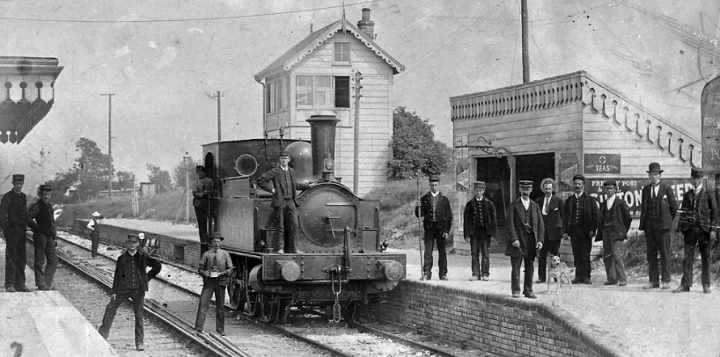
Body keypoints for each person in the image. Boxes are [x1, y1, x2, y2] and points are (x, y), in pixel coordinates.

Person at [98, 235, 162, 351]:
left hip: (138, 291)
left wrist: (146, 278)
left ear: (138, 244)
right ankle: (102, 335)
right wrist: (114, 291)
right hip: (123, 289)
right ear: (126, 243)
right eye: (130, 242)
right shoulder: (122, 258)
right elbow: (117, 276)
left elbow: (157, 266)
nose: (132, 244)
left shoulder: (143, 257)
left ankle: (139, 342)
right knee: (110, 307)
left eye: (134, 242)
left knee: (139, 316)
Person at [256, 150, 311, 254]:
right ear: (279, 160)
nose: (284, 160)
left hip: (291, 201)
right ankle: (280, 248)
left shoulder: (292, 172)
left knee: (295, 225)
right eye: (282, 158)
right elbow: (261, 180)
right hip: (280, 202)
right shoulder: (274, 171)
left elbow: (296, 185)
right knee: (281, 226)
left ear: (289, 160)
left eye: (286, 158)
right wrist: (271, 190)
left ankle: (294, 248)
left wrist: (308, 185)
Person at [674, 167, 717, 293]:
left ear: (702, 179)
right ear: (691, 179)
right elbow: (683, 213)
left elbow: (715, 214)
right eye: (694, 178)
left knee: (705, 258)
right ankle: (685, 284)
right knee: (687, 257)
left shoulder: (708, 194)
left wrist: (713, 230)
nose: (696, 181)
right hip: (690, 230)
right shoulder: (687, 195)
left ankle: (706, 284)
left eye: (698, 178)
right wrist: (681, 229)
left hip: (704, 230)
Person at [639, 162, 678, 290]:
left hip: (663, 227)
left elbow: (674, 208)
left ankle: (666, 280)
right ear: (649, 176)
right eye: (651, 174)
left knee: (665, 253)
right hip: (650, 227)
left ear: (660, 176)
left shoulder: (666, 188)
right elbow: (644, 208)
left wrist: (667, 221)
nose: (654, 177)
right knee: (651, 254)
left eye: (656, 174)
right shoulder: (645, 190)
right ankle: (653, 281)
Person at [505, 180, 544, 298]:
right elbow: (509, 224)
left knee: (530, 266)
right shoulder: (513, 205)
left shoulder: (535, 206)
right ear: (520, 190)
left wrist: (540, 240)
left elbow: (540, 225)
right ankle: (515, 290)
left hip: (531, 240)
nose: (525, 191)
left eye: (528, 189)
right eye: (523, 189)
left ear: (531, 190)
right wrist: (514, 239)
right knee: (516, 266)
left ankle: (528, 290)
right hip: (518, 240)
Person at [194, 233, 234, 336]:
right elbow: (200, 268)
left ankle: (220, 329)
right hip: (209, 283)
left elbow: (230, 269)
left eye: (218, 241)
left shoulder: (225, 255)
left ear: (221, 242)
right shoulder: (207, 254)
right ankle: (198, 328)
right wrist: (204, 273)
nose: (216, 243)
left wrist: (223, 273)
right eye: (214, 241)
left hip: (220, 283)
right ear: (211, 242)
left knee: (220, 306)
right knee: (203, 304)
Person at [562, 174, 599, 284]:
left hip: (586, 231)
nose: (577, 186)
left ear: (583, 185)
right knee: (576, 254)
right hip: (574, 231)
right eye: (575, 184)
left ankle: (586, 277)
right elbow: (565, 217)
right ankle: (578, 276)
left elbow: (595, 216)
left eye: (579, 184)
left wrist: (593, 229)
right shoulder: (569, 201)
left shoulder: (590, 200)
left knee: (585, 254)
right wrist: (565, 231)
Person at [415, 176, 453, 281]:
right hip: (429, 228)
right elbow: (419, 214)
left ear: (439, 185)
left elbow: (449, 217)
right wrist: (417, 207)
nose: (434, 187)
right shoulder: (424, 199)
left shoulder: (444, 199)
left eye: (436, 185)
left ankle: (443, 274)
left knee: (442, 252)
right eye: (432, 185)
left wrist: (446, 231)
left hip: (441, 229)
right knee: (428, 252)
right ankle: (426, 273)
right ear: (429, 185)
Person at [596, 181, 632, 286]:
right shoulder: (603, 204)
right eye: (607, 188)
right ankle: (611, 278)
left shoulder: (621, 203)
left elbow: (628, 219)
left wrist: (623, 231)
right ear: (604, 190)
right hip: (606, 232)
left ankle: (622, 279)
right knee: (607, 255)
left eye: (611, 188)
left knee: (617, 256)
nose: (609, 190)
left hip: (616, 233)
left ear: (615, 189)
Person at [0, 174, 30, 292]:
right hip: (12, 232)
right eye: (17, 184)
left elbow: (24, 214)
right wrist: (6, 230)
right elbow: (2, 216)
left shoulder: (23, 197)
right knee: (11, 257)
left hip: (22, 232)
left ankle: (20, 284)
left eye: (21, 184)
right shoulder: (7, 197)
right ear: (13, 183)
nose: (19, 186)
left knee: (22, 258)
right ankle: (10, 284)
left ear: (22, 184)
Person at [463, 181, 497, 281]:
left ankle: (485, 273)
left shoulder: (489, 204)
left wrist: (493, 234)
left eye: (480, 191)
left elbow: (493, 220)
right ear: (474, 191)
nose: (478, 192)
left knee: (485, 253)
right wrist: (467, 234)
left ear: (484, 191)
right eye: (477, 190)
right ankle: (475, 274)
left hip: (485, 233)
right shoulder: (470, 204)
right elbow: (466, 220)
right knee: (474, 253)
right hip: (474, 233)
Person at [27, 184, 59, 291]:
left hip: (49, 236)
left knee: (53, 260)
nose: (46, 196)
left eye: (48, 194)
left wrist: (54, 237)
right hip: (40, 236)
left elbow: (52, 223)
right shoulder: (37, 206)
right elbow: (27, 218)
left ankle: (47, 283)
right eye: (44, 194)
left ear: (50, 195)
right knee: (39, 260)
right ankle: (41, 284)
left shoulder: (49, 206)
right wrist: (36, 227)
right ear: (41, 194)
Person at [534, 178, 564, 284]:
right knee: (541, 255)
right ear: (543, 189)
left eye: (549, 189)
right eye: (546, 189)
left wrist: (562, 231)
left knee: (555, 255)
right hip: (543, 233)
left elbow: (563, 216)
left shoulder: (558, 201)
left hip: (554, 233)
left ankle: (556, 276)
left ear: (553, 189)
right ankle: (541, 276)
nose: (548, 191)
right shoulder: (538, 201)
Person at [193, 165, 214, 256]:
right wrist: (203, 194)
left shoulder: (209, 181)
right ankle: (203, 240)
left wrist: (207, 193)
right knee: (201, 223)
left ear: (204, 172)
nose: (200, 173)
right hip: (199, 204)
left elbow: (212, 190)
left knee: (211, 221)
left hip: (208, 203)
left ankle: (211, 238)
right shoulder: (195, 183)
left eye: (201, 172)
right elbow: (195, 193)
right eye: (198, 172)